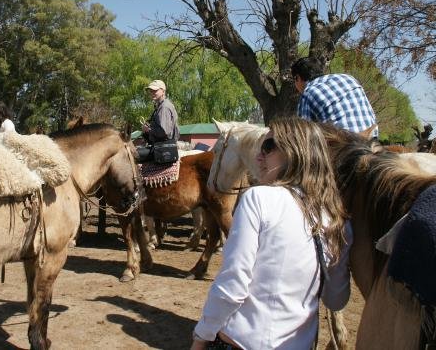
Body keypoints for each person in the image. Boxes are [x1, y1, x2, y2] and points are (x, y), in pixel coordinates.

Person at [191, 117, 352, 350]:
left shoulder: (258, 199)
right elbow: (336, 299)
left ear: (294, 151)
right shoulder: (338, 220)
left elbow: (233, 284)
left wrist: (201, 335)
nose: (258, 157)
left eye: (267, 148)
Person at [291, 56, 378, 138]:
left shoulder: (309, 93)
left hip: (344, 145)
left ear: (297, 78)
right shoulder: (349, 78)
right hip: (371, 137)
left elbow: (304, 136)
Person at [137, 79, 180, 162]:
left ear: (163, 91)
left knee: (133, 155)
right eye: (151, 91)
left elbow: (164, 132)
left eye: (155, 90)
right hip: (162, 146)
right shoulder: (161, 106)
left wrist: (148, 130)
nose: (152, 93)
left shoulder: (164, 107)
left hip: (164, 148)